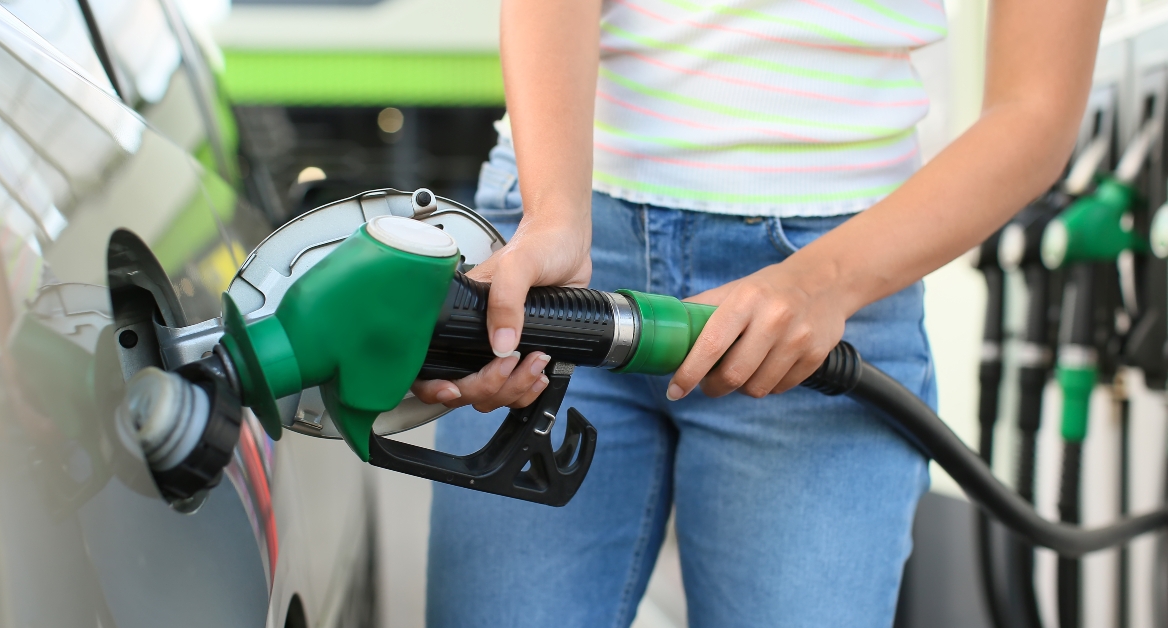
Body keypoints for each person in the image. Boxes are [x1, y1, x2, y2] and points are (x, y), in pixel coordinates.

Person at [410, 0, 1106, 625]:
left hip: (831, 285)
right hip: (562, 252)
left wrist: (820, 284)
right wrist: (556, 215)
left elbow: (1035, 107)